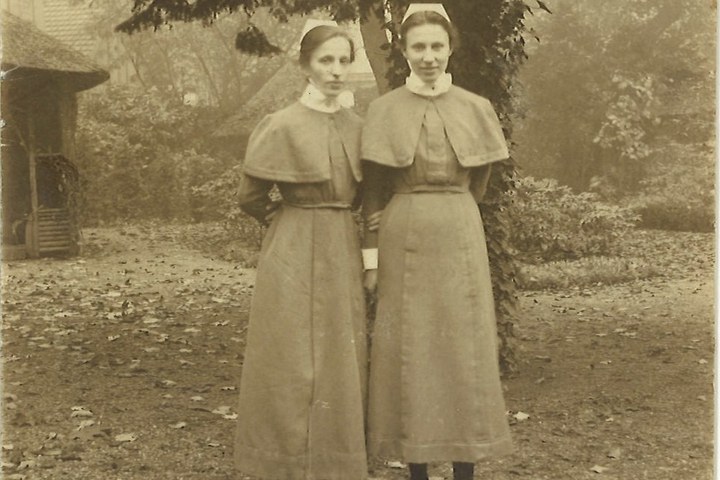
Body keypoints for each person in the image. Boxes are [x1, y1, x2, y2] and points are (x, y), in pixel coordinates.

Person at [360, 4, 514, 480]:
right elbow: (372, 193)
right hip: (404, 232)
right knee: (413, 348)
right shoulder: (384, 111)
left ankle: (465, 468)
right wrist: (371, 260)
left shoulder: (475, 108)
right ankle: (418, 469)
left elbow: (480, 181)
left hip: (459, 233)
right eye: (418, 47)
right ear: (404, 51)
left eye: (437, 47)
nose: (428, 57)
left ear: (451, 49)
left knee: (461, 348)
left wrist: (451, 209)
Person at [234, 24, 377, 480]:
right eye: (326, 61)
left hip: (341, 240)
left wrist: (370, 255)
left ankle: (337, 461)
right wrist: (281, 219)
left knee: (340, 350)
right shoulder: (280, 124)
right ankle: (282, 461)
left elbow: (368, 199)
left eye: (343, 61)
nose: (336, 72)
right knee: (288, 351)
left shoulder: (360, 127)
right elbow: (250, 196)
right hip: (291, 242)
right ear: (306, 66)